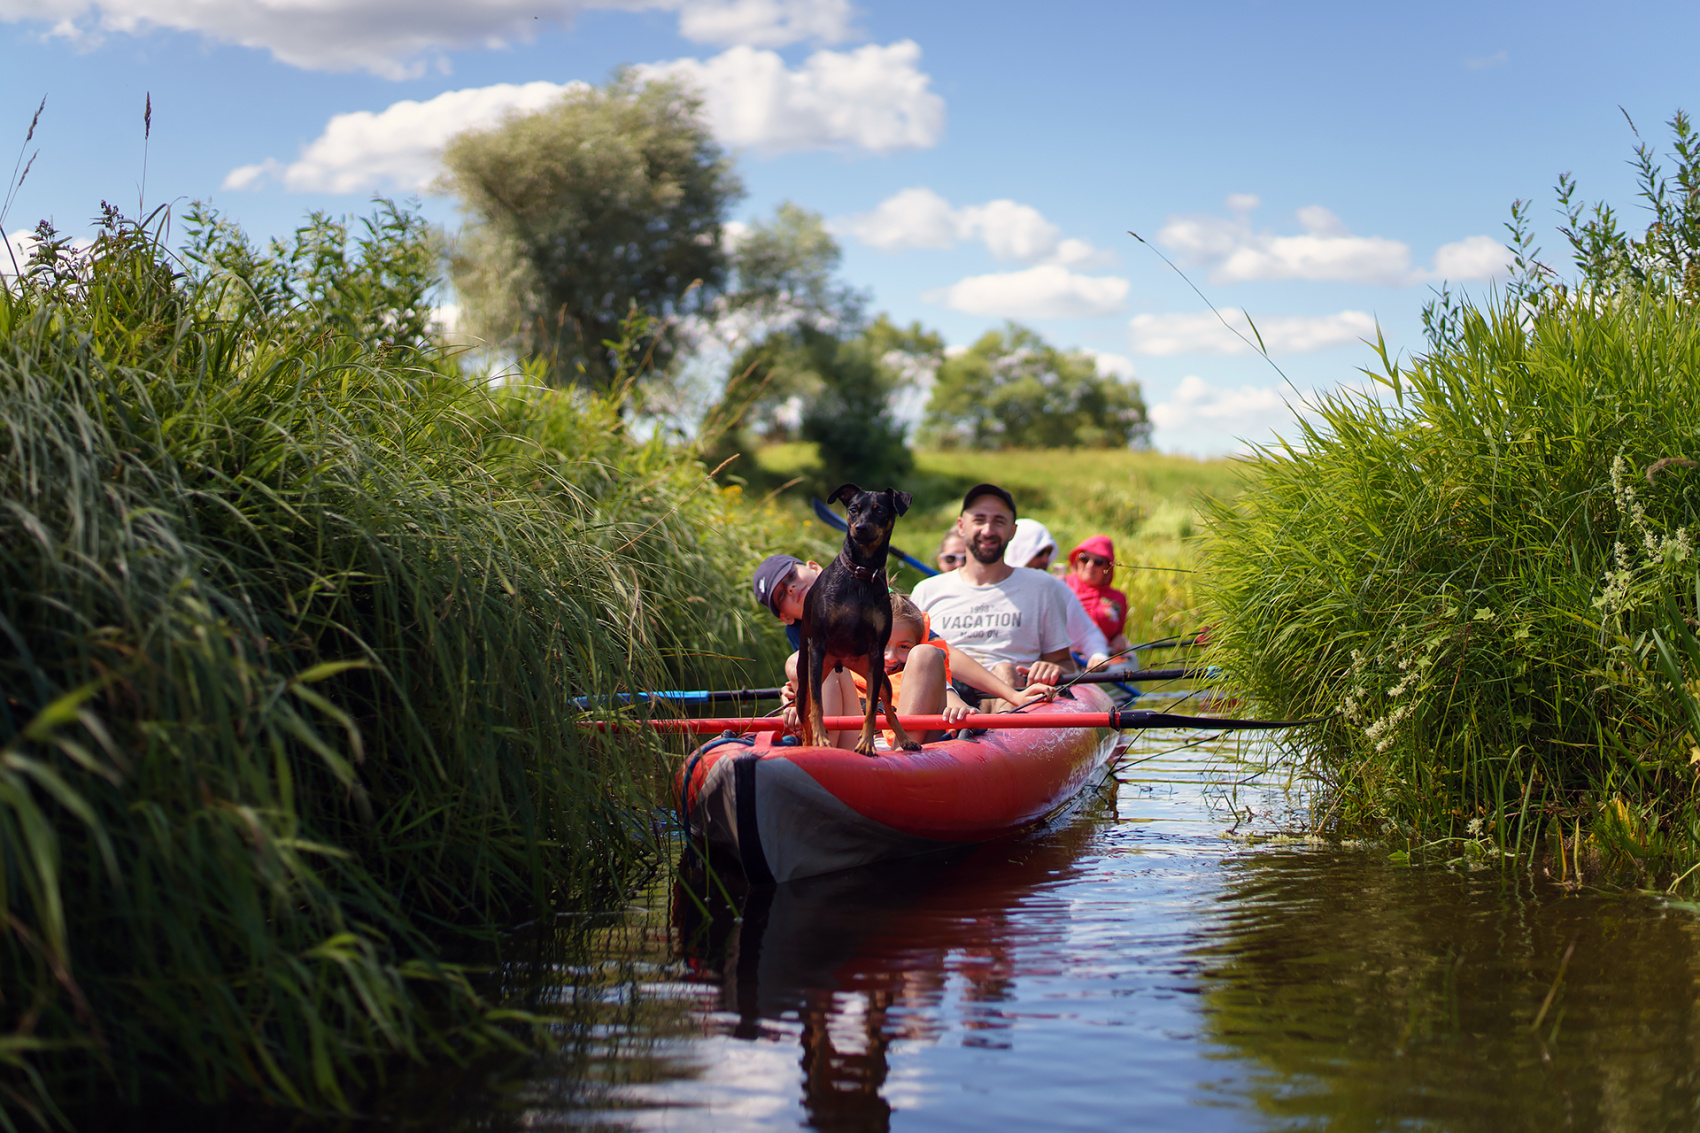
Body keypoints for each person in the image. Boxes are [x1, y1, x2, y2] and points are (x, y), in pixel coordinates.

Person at [909, 484, 1077, 706]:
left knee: (1004, 669)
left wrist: (1053, 668)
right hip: (945, 698)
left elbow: (1066, 665)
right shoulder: (926, 590)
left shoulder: (1043, 587)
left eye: (999, 521)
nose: (988, 530)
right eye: (979, 520)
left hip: (1010, 696)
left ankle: (1000, 735)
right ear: (961, 526)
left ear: (1012, 531)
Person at [1003, 518, 1112, 669]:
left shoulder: (1056, 589)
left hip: (1044, 678)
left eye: (1048, 553)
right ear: (1020, 551)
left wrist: (1098, 655)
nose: (1046, 560)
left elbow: (1089, 634)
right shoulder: (992, 588)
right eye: (1039, 553)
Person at [1067, 536, 1131, 657]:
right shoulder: (1062, 586)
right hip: (1067, 659)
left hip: (1102, 659)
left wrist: (1119, 639)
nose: (1090, 565)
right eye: (1084, 559)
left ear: (1108, 567)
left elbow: (1117, 633)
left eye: (1098, 562)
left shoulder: (1118, 598)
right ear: (1076, 561)